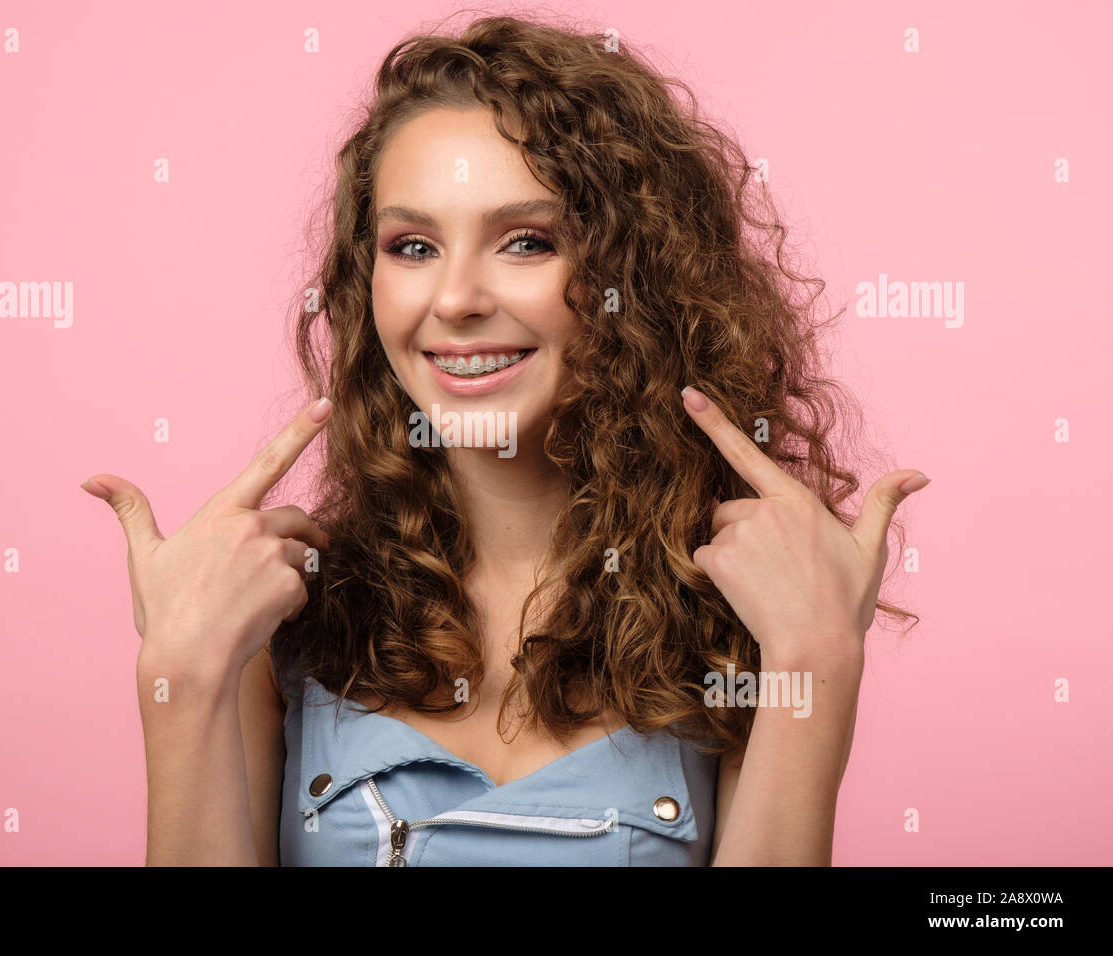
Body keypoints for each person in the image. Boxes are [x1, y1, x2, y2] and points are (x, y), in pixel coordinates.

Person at [81, 14, 927, 866]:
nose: (454, 299)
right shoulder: (276, 617)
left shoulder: (742, 619)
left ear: (633, 277)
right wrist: (181, 672)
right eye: (413, 246)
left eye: (526, 242)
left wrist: (816, 656)